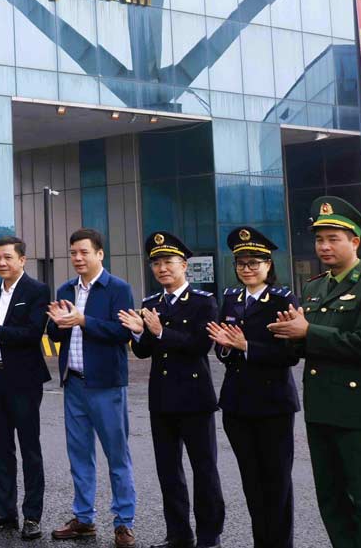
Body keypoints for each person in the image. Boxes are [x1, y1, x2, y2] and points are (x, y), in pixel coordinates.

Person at [268, 196, 361, 548]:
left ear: (355, 242)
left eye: (333, 239)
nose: (324, 246)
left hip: (357, 411)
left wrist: (308, 332)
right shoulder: (314, 287)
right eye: (319, 239)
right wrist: (288, 334)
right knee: (332, 499)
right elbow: (307, 347)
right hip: (321, 408)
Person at [118, 232, 223, 548]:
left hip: (194, 398)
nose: (162, 268)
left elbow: (199, 346)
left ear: (184, 266)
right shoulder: (151, 303)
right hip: (162, 400)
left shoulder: (204, 302)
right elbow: (145, 352)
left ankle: (208, 536)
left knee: (204, 470)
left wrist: (161, 331)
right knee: (169, 473)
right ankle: (178, 534)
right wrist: (139, 334)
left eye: (168, 262)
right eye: (157, 263)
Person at [206, 226, 299, 548]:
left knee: (277, 484)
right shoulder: (231, 299)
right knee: (252, 485)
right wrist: (228, 347)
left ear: (269, 265)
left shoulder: (282, 300)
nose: (247, 269)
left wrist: (247, 346)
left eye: (255, 262)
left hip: (273, 404)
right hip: (237, 404)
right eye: (241, 263)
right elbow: (221, 347)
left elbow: (291, 355)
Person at [46, 227, 136, 548]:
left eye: (84, 252)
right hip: (74, 384)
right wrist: (57, 323)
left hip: (106, 386)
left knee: (117, 456)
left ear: (100, 254)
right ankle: (83, 518)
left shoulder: (118, 289)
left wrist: (84, 321)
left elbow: (122, 333)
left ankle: (123, 522)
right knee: (79, 456)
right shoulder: (65, 289)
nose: (78, 258)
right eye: (73, 253)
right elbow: (56, 334)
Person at [0, 236, 50, 540]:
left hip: (24, 380)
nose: (1, 263)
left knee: (29, 449)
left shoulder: (36, 290)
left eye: (7, 258)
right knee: (0, 448)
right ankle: (5, 511)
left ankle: (32, 516)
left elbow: (31, 333)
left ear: (22, 260)